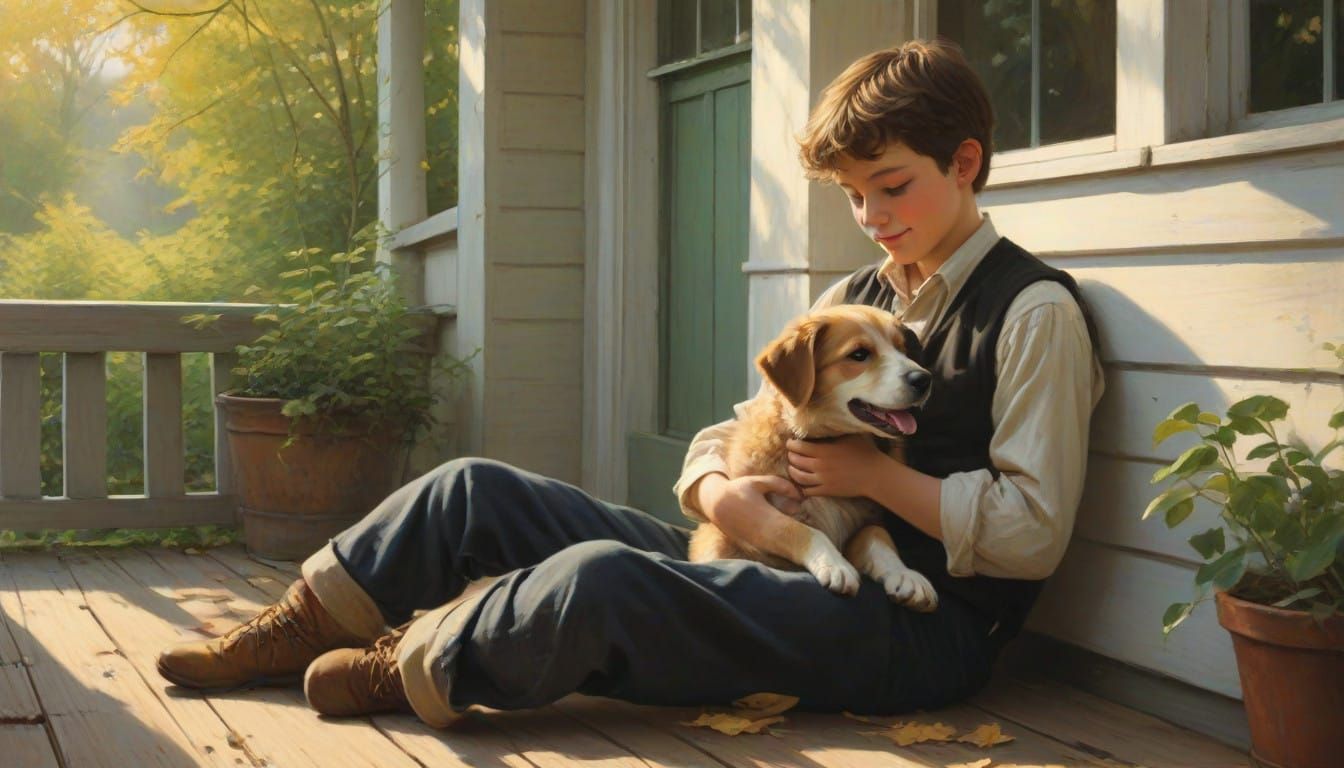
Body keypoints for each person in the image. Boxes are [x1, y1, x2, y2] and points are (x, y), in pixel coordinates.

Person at [156, 38, 1103, 728]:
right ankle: (288, 629)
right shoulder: (851, 300)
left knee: (605, 582)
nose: (870, 215)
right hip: (775, 556)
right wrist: (724, 491)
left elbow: (1031, 532)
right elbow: (736, 428)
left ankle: (411, 659)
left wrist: (874, 483)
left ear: (965, 162)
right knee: (471, 486)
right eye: (854, 195)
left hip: (912, 630)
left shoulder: (1031, 315)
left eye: (891, 186)